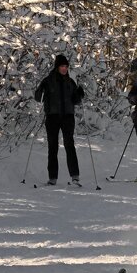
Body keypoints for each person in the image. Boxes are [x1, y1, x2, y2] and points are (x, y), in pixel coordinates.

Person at [33, 54, 84, 186]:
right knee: (53, 147)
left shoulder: (70, 82)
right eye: (62, 66)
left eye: (66, 66)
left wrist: (79, 94)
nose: (64, 69)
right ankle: (53, 177)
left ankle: (75, 176)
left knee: (69, 145)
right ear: (57, 67)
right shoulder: (48, 81)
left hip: (68, 116)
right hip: (52, 116)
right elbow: (38, 97)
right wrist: (40, 91)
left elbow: (76, 101)